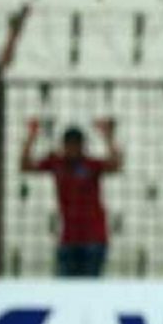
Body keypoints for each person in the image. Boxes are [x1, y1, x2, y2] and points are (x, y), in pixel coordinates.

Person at [20, 119, 122, 277]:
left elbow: (115, 164)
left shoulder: (91, 164)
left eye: (76, 144)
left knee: (91, 286)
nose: (72, 149)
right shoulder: (57, 163)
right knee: (65, 285)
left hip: (94, 237)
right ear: (63, 145)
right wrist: (31, 137)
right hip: (68, 237)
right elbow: (25, 166)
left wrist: (107, 136)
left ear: (83, 146)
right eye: (69, 144)